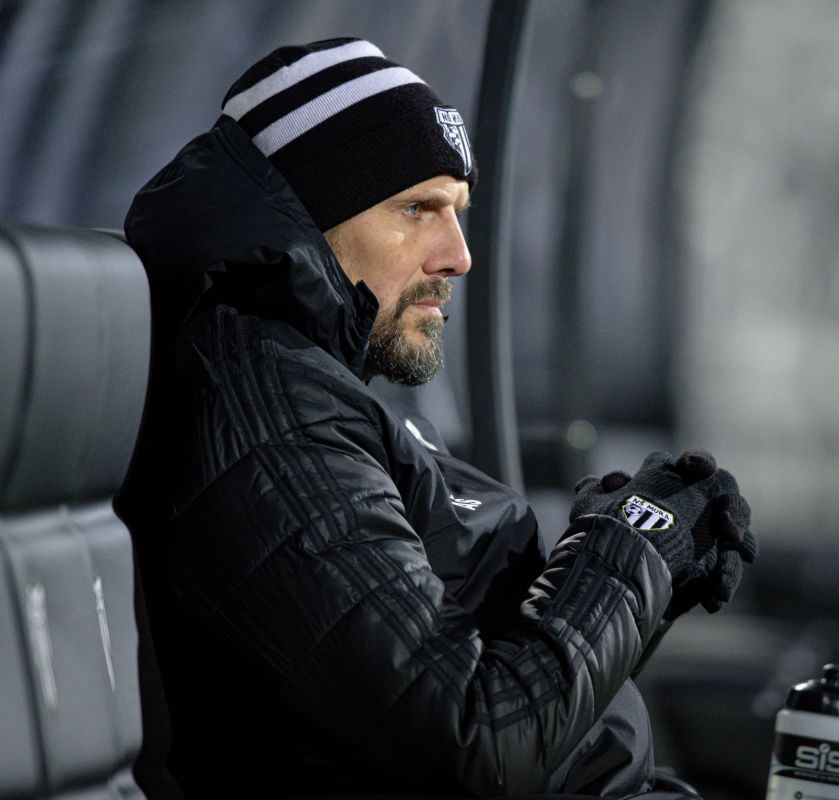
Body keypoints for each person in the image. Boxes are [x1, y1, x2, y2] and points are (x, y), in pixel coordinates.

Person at [118, 38, 756, 799]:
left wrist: (627, 567)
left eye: (458, 213)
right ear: (308, 218)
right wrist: (627, 552)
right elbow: (474, 743)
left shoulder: (315, 383)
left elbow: (496, 698)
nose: (458, 255)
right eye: (416, 208)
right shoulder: (272, 423)